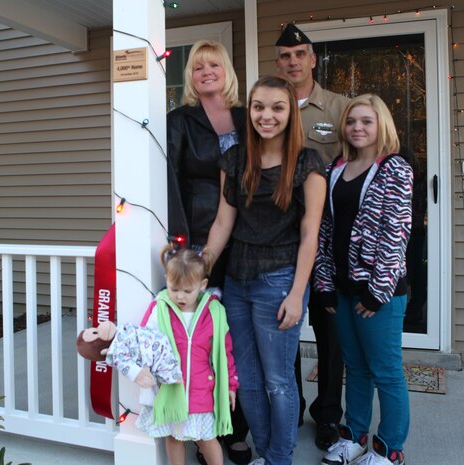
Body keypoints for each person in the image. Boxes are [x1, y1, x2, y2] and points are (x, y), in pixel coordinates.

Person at [205, 75, 326, 465]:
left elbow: (310, 235)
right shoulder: (235, 159)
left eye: (277, 107)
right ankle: (268, 452)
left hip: (280, 280)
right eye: (258, 107)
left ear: (291, 113)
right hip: (237, 282)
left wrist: (297, 294)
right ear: (250, 110)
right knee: (250, 383)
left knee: (278, 381)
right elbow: (224, 223)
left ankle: (279, 458)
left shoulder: (308, 162)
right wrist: (199, 267)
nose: (266, 115)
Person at [166, 39, 252, 464]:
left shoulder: (245, 116)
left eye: (213, 64)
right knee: (206, 338)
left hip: (250, 236)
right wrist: (182, 242)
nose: (205, 72)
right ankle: (207, 429)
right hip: (203, 237)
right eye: (198, 67)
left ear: (226, 71)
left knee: (242, 333)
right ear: (190, 76)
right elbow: (172, 181)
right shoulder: (179, 120)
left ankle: (240, 426)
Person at [315, 94, 412, 465]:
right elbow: (326, 230)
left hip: (378, 294)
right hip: (340, 287)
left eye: (366, 121)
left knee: (385, 372)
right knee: (354, 367)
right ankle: (354, 436)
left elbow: (396, 232)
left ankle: (389, 449)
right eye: (352, 121)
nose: (357, 127)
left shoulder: (395, 169)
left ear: (380, 125)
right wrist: (323, 283)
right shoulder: (336, 169)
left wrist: (376, 293)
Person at [275, 22, 351, 450]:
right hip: (279, 234)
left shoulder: (338, 108)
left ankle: (328, 415)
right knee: (284, 328)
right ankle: (293, 405)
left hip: (329, 236)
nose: (293, 62)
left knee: (330, 331)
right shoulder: (268, 105)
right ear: (278, 61)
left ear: (312, 58)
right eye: (285, 56)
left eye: (299, 54)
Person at [137, 243, 239, 465]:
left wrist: (231, 385)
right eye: (174, 289)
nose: (180, 296)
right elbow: (145, 341)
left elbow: (225, 353)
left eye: (187, 290)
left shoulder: (214, 313)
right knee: (174, 438)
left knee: (207, 439)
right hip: (172, 389)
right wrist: (142, 368)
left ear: (202, 285)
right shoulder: (160, 309)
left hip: (202, 389)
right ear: (166, 280)